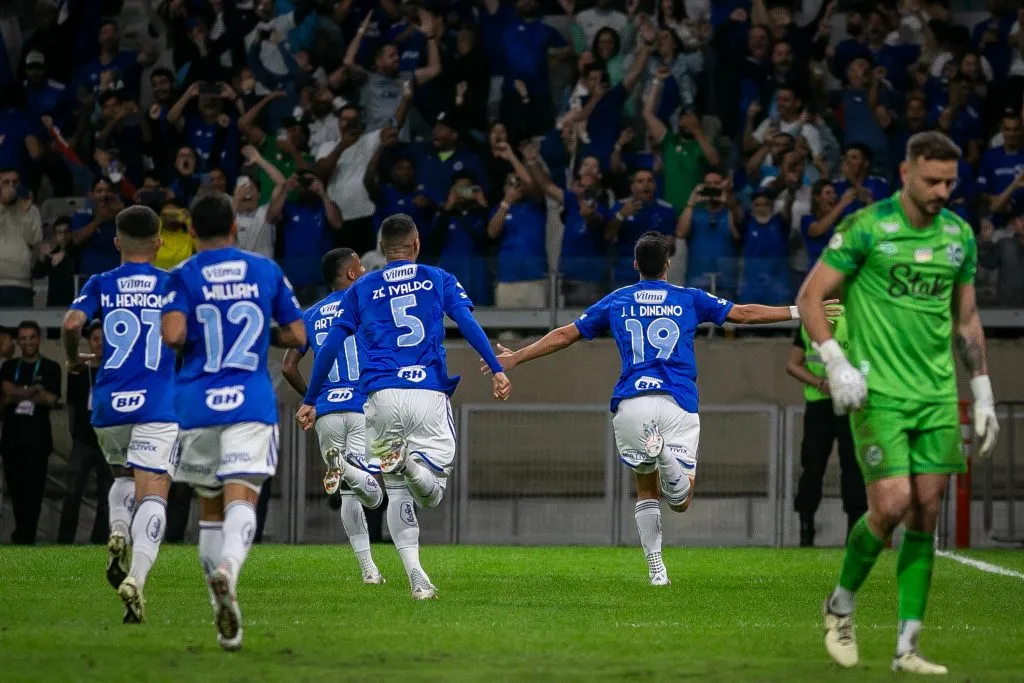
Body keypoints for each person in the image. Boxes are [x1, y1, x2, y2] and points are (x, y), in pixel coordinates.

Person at [484, 232, 829, 585]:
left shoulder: (617, 300)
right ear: (668, 264)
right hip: (676, 401)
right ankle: (664, 455)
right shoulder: (689, 298)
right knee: (681, 500)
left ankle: (656, 568)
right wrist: (798, 311)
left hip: (632, 403)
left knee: (646, 490)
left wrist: (517, 357)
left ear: (635, 264)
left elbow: (564, 335)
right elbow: (744, 314)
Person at [797, 131, 1000, 674]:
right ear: (907, 172)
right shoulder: (866, 226)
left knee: (926, 510)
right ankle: (840, 605)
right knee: (890, 506)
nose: (942, 193)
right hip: (879, 392)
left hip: (936, 394)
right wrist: (835, 362)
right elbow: (811, 297)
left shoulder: (958, 235)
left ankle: (908, 646)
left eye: (950, 183)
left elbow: (966, 318)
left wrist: (981, 389)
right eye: (932, 181)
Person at [296, 214, 511, 600]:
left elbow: (328, 347)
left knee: (396, 493)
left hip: (381, 397)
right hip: (427, 392)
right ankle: (410, 463)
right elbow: (467, 323)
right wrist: (496, 369)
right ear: (416, 244)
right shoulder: (437, 277)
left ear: (381, 249)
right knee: (432, 494)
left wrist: (311, 399)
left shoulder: (362, 287)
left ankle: (417, 577)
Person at [162, 192, 306, 651]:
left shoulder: (182, 274)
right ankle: (229, 570)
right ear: (234, 228)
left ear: (191, 232)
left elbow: (173, 335)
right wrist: (262, 328)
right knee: (242, 495)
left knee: (209, 508)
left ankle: (223, 611)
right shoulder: (265, 269)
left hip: (198, 404)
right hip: (250, 402)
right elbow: (298, 334)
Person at [62, 205, 179, 623]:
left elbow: (72, 323)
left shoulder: (100, 282)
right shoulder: (171, 284)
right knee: (153, 491)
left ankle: (117, 529)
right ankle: (137, 580)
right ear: (159, 242)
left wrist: (72, 359)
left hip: (109, 403)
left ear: (117, 243)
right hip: (156, 403)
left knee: (122, 476)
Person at [281, 248, 385, 584]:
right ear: (351, 274)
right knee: (373, 489)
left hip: (326, 409)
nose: (365, 269)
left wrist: (312, 400)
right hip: (361, 405)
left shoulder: (311, 314)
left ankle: (368, 569)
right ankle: (349, 470)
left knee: (349, 495)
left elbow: (288, 366)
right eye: (360, 266)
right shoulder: (367, 304)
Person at [786, 308, 866, 546]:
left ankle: (808, 531)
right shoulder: (855, 318)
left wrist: (820, 384)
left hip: (841, 405)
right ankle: (843, 532)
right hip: (834, 404)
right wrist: (824, 384)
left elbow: (792, 364)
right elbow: (793, 364)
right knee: (844, 467)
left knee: (822, 467)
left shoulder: (814, 319)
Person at [0, 321, 62, 544]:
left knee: (34, 493)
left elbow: (50, 399)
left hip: (38, 441)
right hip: (11, 440)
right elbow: (4, 398)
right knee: (16, 493)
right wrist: (34, 390)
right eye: (23, 338)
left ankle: (27, 538)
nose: (28, 342)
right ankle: (22, 535)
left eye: (32, 337)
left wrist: (16, 393)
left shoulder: (51, 367)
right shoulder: (8, 367)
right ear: (18, 341)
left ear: (39, 339)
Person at [56, 321, 113, 545]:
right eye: (95, 339)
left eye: (103, 339)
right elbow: (71, 407)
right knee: (72, 493)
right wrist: (75, 434)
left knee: (107, 496)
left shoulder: (115, 372)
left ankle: (99, 542)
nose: (99, 344)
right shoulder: (78, 371)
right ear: (89, 342)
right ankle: (64, 542)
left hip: (108, 442)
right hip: (83, 441)